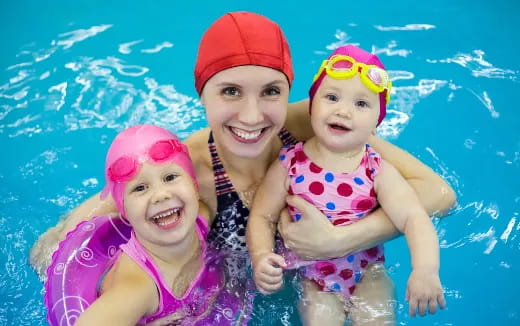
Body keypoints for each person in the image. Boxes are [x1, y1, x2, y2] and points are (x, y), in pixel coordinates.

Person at [30, 11, 456, 323]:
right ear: (202, 96)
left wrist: (340, 240)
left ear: (292, 91)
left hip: (349, 273)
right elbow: (98, 210)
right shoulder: (185, 169)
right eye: (230, 91)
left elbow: (439, 195)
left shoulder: (316, 122)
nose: (252, 117)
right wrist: (57, 241)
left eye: (271, 91)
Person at [247, 44, 446, 325]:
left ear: (377, 123)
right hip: (313, 278)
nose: (343, 111)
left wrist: (425, 270)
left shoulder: (377, 169)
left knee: (378, 320)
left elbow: (414, 217)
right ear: (312, 105)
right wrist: (261, 257)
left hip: (368, 273)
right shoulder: (290, 162)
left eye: (361, 104)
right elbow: (262, 215)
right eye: (331, 97)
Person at [54, 124, 230, 325]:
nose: (160, 195)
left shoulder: (201, 216)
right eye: (140, 188)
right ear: (124, 211)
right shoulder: (138, 287)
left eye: (170, 177)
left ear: (195, 186)